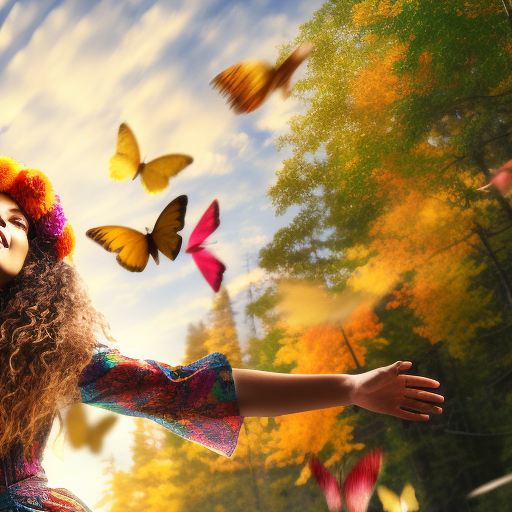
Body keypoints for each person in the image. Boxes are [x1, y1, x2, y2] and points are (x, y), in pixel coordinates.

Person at [0, 156, 443, 512]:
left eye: (17, 220)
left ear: (36, 254)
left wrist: (349, 387)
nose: (3, 224)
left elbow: (187, 390)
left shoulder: (51, 351)